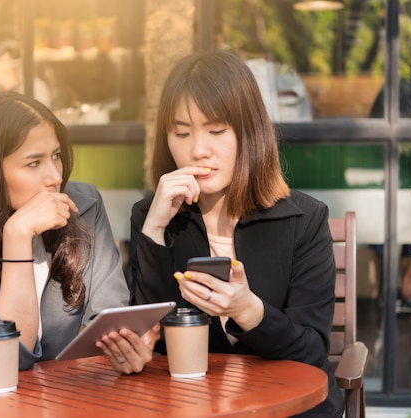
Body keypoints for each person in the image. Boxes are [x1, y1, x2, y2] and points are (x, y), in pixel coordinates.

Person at [0, 91, 159, 417]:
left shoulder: (83, 205)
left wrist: (126, 347)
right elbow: (10, 355)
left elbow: (108, 314)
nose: (55, 176)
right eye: (33, 162)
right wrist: (17, 236)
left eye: (56, 155)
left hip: (62, 390)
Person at [129, 50, 344, 417]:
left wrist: (249, 310)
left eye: (216, 131)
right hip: (192, 406)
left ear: (249, 131)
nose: (198, 150)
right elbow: (149, 345)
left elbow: (311, 352)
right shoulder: (155, 218)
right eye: (181, 132)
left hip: (288, 406)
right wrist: (154, 231)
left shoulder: (303, 220)